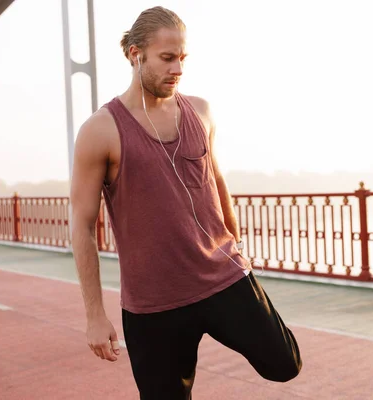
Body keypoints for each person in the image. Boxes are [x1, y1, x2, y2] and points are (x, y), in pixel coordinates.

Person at [70, 6, 302, 399]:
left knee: (285, 364)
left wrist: (237, 245)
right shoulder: (100, 130)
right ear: (135, 54)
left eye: (182, 57)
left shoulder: (201, 111)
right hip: (154, 304)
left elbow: (216, 181)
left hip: (223, 278)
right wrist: (94, 314)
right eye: (166, 58)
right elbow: (80, 223)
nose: (177, 68)